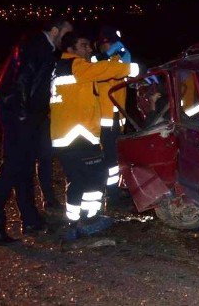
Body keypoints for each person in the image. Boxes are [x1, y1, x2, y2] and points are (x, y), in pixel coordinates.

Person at [0, 17, 73, 244]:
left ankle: (30, 219)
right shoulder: (36, 46)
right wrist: (23, 115)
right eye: (66, 34)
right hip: (18, 113)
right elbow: (22, 81)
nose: (67, 39)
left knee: (23, 168)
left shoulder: (43, 47)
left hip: (25, 114)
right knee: (12, 167)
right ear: (54, 30)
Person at [50, 31, 139, 240]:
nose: (89, 49)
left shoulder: (59, 68)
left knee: (79, 179)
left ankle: (76, 222)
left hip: (65, 135)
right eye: (84, 45)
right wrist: (132, 68)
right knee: (93, 178)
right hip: (78, 134)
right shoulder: (76, 66)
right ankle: (86, 221)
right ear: (70, 49)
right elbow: (103, 70)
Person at [93, 26, 135, 206]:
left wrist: (120, 52)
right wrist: (111, 53)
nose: (116, 46)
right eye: (111, 43)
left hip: (117, 119)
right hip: (103, 121)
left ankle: (114, 191)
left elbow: (131, 69)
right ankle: (111, 195)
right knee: (108, 161)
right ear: (103, 44)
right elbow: (102, 67)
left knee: (115, 160)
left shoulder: (119, 61)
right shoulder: (95, 61)